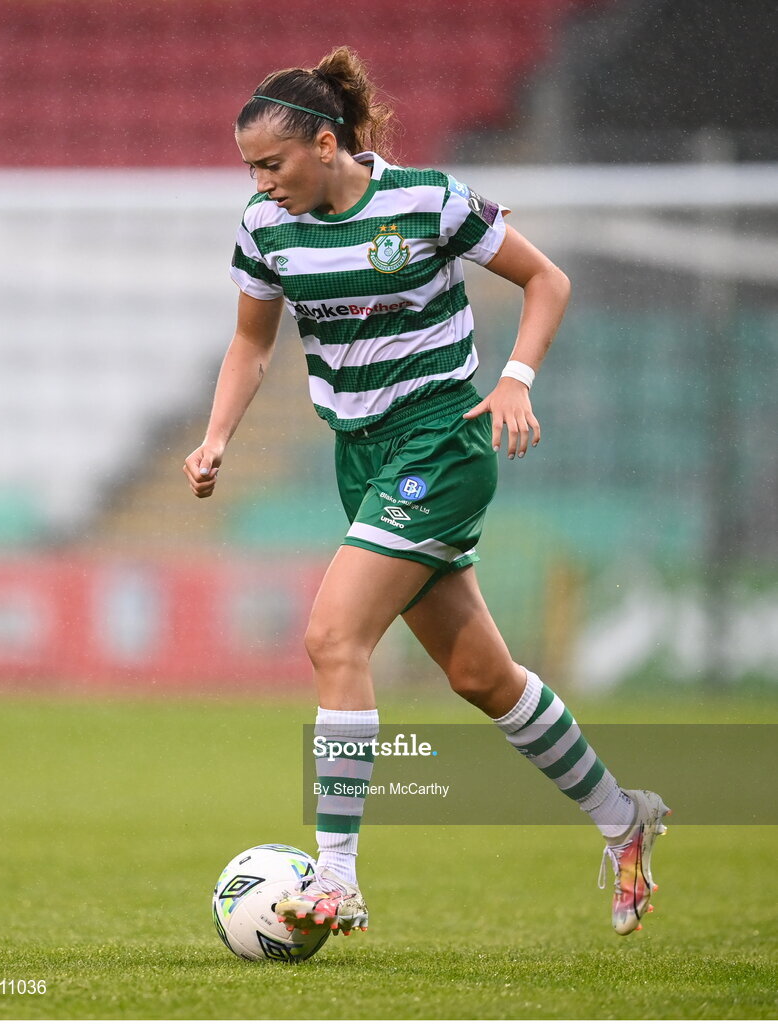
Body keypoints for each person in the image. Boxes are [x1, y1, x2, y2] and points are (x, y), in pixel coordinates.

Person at [183, 46, 669, 940]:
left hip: (442, 443)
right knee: (482, 676)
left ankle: (336, 881)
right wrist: (216, 438)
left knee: (334, 634)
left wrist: (516, 377)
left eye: (271, 163)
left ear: (325, 143)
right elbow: (251, 345)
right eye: (250, 166)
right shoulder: (265, 226)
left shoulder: (427, 200)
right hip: (359, 458)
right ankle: (622, 816)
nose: (259, 182)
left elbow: (545, 279)